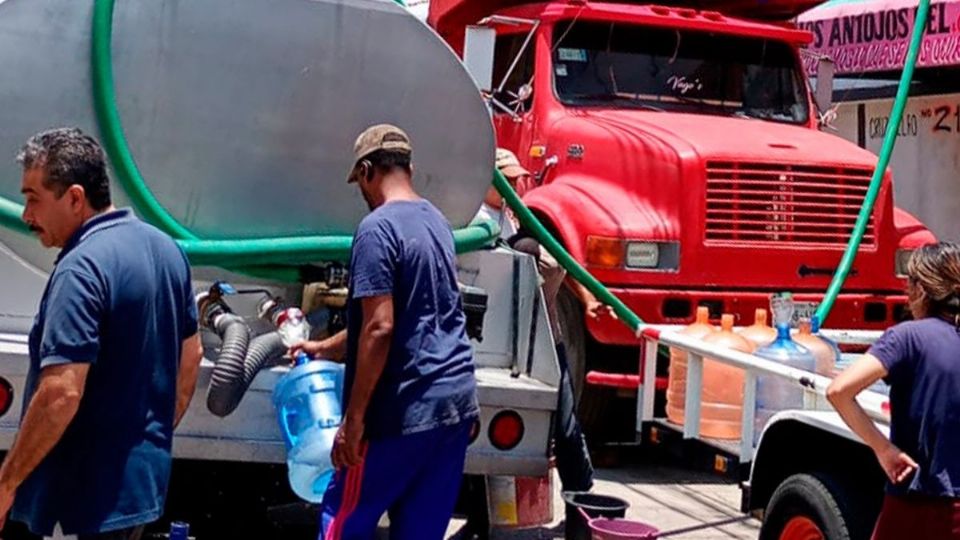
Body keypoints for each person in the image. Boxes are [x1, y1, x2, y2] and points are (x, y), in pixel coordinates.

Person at [0, 128, 203, 540]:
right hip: (137, 494)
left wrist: (7, 483)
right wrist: (147, 439)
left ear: (75, 198)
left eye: (34, 198)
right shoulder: (166, 250)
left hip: (80, 502)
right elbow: (192, 357)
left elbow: (61, 394)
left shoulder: (81, 269)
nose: (26, 215)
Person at [290, 125, 479, 540]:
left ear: (366, 170)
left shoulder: (377, 229)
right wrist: (325, 347)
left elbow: (381, 328)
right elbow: (419, 317)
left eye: (359, 180)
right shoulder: (436, 222)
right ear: (409, 167)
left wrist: (353, 422)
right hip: (454, 408)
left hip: (403, 411)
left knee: (344, 520)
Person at [827, 242, 960, 539]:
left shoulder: (907, 337)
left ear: (921, 290)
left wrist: (883, 449)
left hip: (915, 504)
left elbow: (839, 390)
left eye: (908, 284)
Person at [489, 148, 597, 492]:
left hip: (549, 337)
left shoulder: (512, 217)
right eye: (506, 180)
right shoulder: (479, 221)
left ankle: (582, 505)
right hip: (509, 343)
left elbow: (557, 258)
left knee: (566, 425)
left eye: (516, 180)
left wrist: (588, 298)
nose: (514, 187)